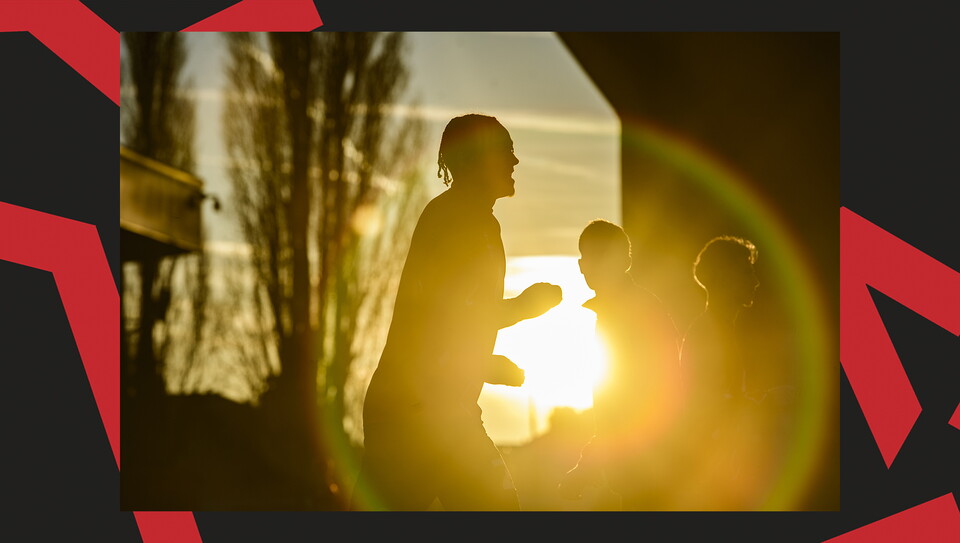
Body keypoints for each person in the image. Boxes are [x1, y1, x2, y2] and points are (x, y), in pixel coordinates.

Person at [351, 114, 562, 511]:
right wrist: (523, 309)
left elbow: (455, 319)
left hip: (434, 407)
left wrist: (484, 363)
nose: (515, 161)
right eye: (506, 151)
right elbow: (447, 315)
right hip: (416, 412)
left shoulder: (473, 220)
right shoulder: (456, 219)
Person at [558, 219, 681, 510]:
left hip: (651, 474)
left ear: (625, 261)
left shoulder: (639, 315)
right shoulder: (616, 312)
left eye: (601, 256)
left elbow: (634, 409)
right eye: (587, 257)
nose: (590, 266)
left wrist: (587, 467)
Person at [675, 235, 763, 510]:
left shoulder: (719, 330)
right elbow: (709, 409)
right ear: (728, 278)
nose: (756, 282)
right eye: (747, 272)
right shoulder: (708, 336)